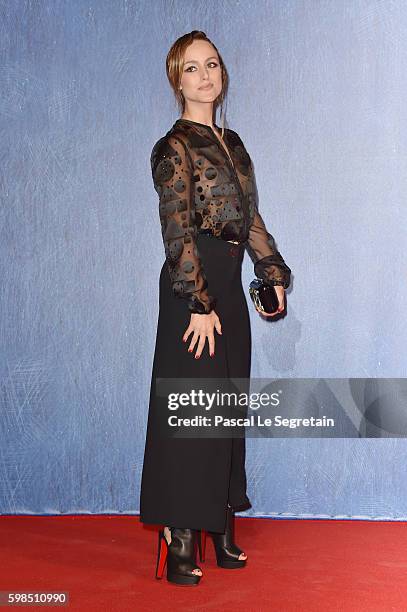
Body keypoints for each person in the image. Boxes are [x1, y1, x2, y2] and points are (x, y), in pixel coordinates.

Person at [139, 30, 291, 586]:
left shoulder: (235, 144)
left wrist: (270, 274)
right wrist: (197, 302)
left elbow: (249, 220)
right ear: (177, 80)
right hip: (192, 287)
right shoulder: (173, 147)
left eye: (213, 65)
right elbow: (176, 231)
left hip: (228, 283)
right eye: (193, 68)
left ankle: (219, 521)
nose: (206, 76)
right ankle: (181, 531)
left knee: (226, 406)